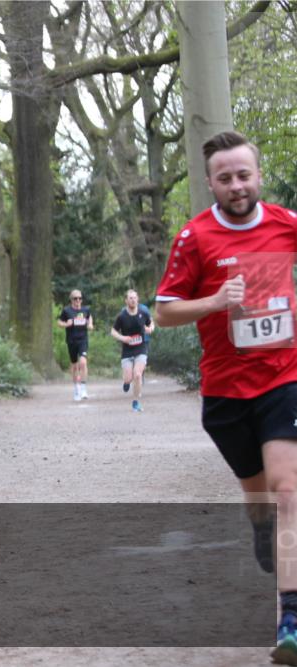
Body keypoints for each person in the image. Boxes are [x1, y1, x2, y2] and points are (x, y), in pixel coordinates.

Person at [153, 131, 297, 665]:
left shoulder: (286, 225)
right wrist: (215, 300)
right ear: (210, 182)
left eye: (244, 175)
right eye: (225, 178)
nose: (237, 186)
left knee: (289, 492)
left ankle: (290, 618)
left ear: (258, 175)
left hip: (286, 376)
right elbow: (163, 311)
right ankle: (261, 526)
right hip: (226, 388)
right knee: (260, 495)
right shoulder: (195, 237)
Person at [110, 289, 154, 412]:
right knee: (128, 378)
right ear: (126, 301)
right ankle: (126, 382)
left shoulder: (143, 312)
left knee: (138, 375)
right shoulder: (122, 316)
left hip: (141, 348)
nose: (133, 300)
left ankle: (136, 402)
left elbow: (151, 323)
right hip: (127, 350)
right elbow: (113, 331)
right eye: (130, 298)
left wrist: (150, 328)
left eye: (135, 298)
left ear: (137, 299)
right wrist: (123, 338)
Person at [57, 290, 93, 401]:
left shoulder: (85, 309)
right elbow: (59, 322)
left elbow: (89, 317)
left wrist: (90, 324)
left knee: (83, 362)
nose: (78, 301)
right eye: (75, 298)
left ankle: (83, 388)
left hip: (83, 340)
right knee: (74, 365)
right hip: (71, 341)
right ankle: (76, 388)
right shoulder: (67, 311)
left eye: (80, 298)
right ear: (71, 300)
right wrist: (65, 324)